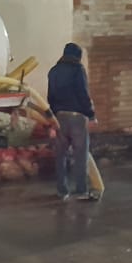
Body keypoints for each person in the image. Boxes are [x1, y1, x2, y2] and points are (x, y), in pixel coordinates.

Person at [47, 42, 98, 201]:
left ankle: (62, 191)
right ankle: (81, 191)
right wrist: (91, 115)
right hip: (77, 117)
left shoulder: (53, 71)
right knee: (80, 155)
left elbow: (50, 97)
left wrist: (53, 118)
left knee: (60, 156)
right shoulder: (78, 70)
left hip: (59, 117)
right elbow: (83, 94)